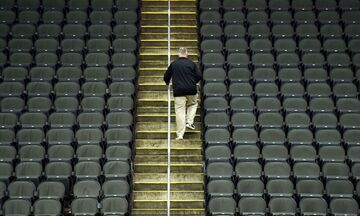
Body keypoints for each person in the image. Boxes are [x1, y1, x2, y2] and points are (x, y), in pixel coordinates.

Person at [163, 47, 202, 140]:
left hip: (178, 90)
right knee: (193, 104)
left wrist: (168, 83)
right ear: (186, 54)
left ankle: (180, 135)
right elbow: (199, 76)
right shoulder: (192, 63)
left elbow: (166, 76)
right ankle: (189, 121)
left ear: (179, 54)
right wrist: (193, 82)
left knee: (180, 112)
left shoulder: (174, 64)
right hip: (191, 89)